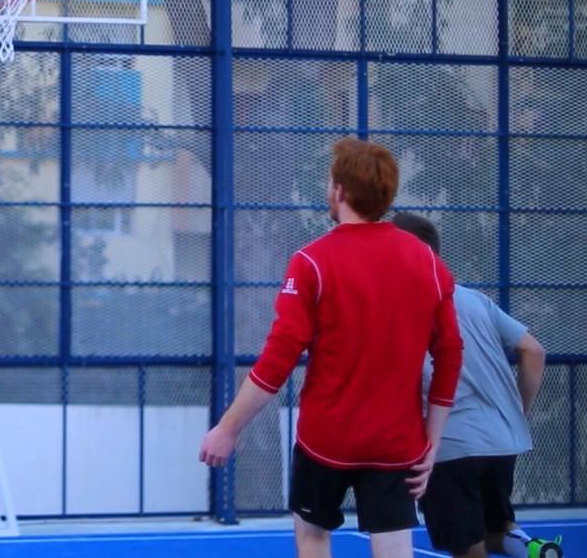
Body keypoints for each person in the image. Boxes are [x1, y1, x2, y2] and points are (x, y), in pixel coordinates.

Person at [199, 138, 464, 558]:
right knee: (395, 547)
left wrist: (228, 427)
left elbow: (277, 361)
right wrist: (431, 443)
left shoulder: (312, 262)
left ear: (339, 192)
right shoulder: (428, 262)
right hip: (396, 442)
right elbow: (450, 354)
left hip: (326, 439)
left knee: (313, 538)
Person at [391, 213, 562, 558]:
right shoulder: (475, 300)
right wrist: (517, 412)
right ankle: (531, 548)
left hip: (451, 445)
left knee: (469, 548)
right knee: (497, 530)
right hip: (503, 440)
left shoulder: (402, 309)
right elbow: (534, 351)